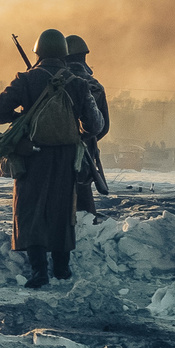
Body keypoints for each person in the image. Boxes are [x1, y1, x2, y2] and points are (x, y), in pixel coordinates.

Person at [0, 28, 107, 288]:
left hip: (31, 156)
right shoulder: (77, 82)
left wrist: (22, 117)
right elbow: (95, 126)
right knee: (62, 211)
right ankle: (62, 269)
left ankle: (39, 272)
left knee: (30, 212)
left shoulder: (27, 78)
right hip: (66, 159)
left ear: (38, 52)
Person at [64, 33, 111, 217]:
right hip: (86, 153)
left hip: (56, 153)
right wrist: (87, 139)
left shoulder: (56, 82)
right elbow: (103, 127)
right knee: (85, 206)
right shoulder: (96, 86)